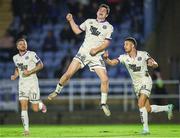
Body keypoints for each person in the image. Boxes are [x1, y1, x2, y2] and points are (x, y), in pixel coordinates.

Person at [48, 4, 114, 116]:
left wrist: (96, 50)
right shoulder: (89, 21)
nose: (101, 11)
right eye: (100, 9)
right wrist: (71, 20)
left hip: (96, 56)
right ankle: (57, 91)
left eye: (104, 10)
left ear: (106, 15)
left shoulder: (109, 27)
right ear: (97, 11)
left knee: (105, 79)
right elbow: (77, 31)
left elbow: (107, 43)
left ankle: (103, 103)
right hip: (83, 53)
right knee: (68, 74)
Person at [103, 37, 174, 134]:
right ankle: (167, 108)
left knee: (140, 103)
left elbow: (153, 63)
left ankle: (145, 129)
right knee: (147, 109)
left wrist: (153, 64)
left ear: (132, 45)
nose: (124, 46)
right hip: (136, 85)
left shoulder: (143, 54)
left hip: (146, 81)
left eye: (126, 44)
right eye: (124, 44)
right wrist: (106, 59)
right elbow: (112, 63)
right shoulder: (124, 57)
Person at [11, 38, 47, 136]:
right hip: (22, 84)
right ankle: (26, 130)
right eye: (21, 44)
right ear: (17, 46)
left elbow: (41, 65)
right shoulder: (15, 58)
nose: (23, 45)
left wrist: (30, 72)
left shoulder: (31, 54)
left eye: (24, 43)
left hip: (33, 83)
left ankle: (41, 105)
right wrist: (15, 75)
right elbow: (17, 68)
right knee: (23, 106)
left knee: (35, 108)